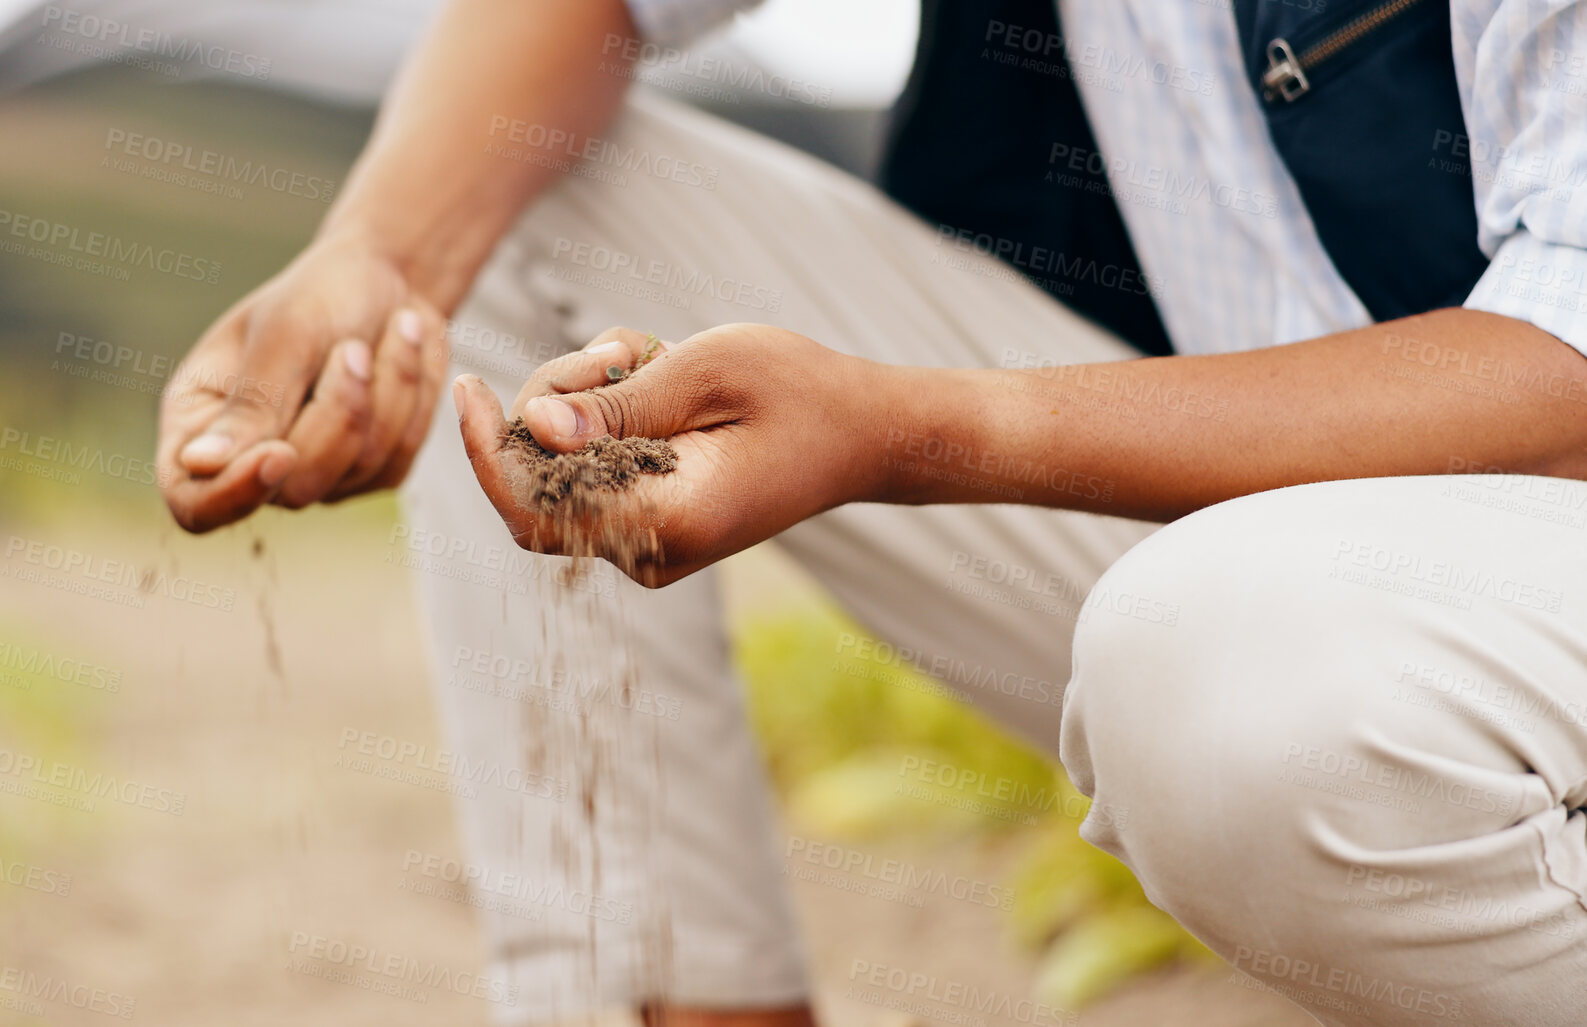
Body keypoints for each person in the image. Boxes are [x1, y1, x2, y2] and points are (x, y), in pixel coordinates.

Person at [155, 0, 1587, 1023]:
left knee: (1225, 671)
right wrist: (376, 271)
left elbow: (1569, 358)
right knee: (517, 197)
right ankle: (676, 1006)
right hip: (1235, 508)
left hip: (1526, 536)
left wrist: (915, 428)